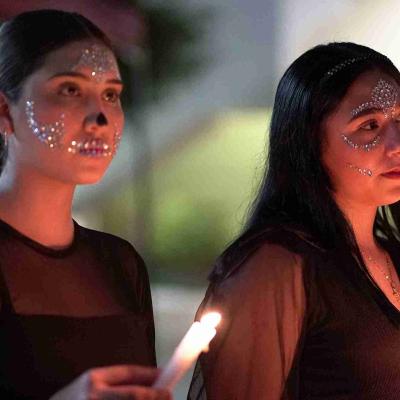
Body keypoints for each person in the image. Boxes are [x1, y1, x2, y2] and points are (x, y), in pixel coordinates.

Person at [188, 42, 400, 400]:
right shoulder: (276, 267)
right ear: (309, 141)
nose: (397, 143)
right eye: (369, 125)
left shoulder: (392, 252)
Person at [0, 9, 170, 400]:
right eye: (70, 90)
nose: (101, 118)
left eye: (111, 94)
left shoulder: (121, 264)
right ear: (5, 111)